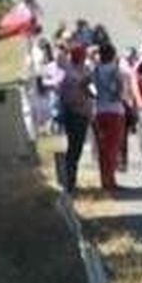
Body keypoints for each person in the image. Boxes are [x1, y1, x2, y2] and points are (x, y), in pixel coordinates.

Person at [90, 42, 136, 192]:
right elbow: (120, 89)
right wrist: (116, 96)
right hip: (115, 111)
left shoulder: (95, 69)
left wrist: (94, 95)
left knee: (102, 148)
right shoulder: (115, 70)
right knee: (113, 147)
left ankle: (105, 179)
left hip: (99, 110)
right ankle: (110, 181)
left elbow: (84, 84)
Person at [57, 43, 94, 192]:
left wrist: (89, 89)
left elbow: (93, 91)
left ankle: (71, 180)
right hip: (74, 113)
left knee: (77, 148)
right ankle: (69, 181)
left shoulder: (86, 70)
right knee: (74, 147)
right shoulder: (68, 72)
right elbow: (66, 95)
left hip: (84, 113)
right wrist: (82, 87)